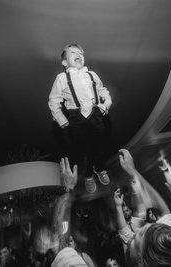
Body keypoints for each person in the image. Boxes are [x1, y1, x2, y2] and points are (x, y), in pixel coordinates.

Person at [48, 43, 112, 193]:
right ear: (64, 62)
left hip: (96, 115)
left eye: (80, 53)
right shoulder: (62, 78)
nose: (78, 54)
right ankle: (88, 175)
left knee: (99, 145)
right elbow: (53, 101)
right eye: (73, 53)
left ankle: (100, 168)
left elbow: (103, 90)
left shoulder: (92, 75)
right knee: (81, 150)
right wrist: (62, 120)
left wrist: (106, 104)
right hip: (75, 118)